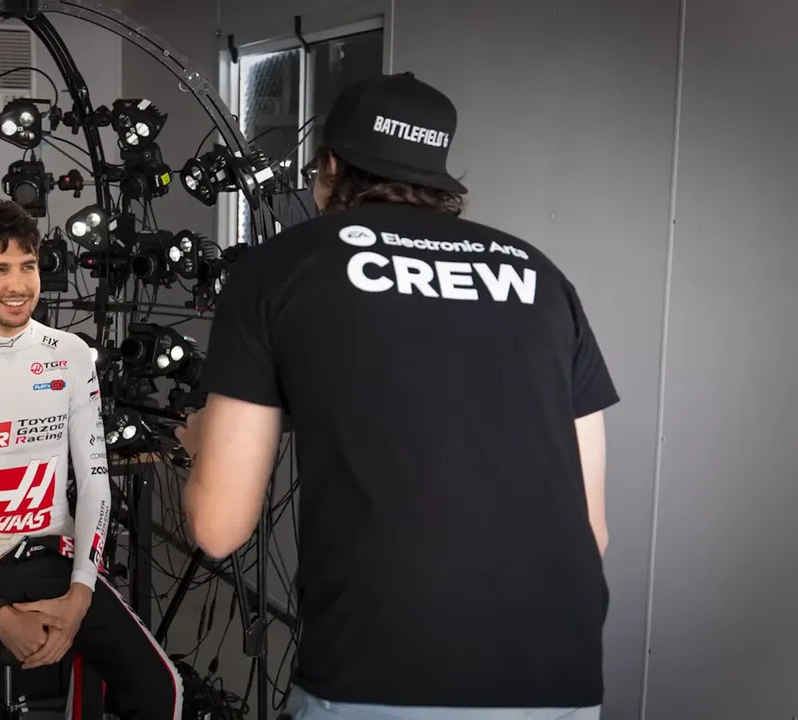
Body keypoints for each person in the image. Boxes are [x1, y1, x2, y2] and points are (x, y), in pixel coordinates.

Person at [176, 72, 617, 719]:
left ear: (328, 167)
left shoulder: (280, 270)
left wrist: (198, 448)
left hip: (381, 672)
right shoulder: (539, 277)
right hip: (560, 670)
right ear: (440, 176)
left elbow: (218, 530)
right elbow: (592, 531)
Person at [0, 200, 181, 719]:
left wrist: (81, 594)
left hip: (58, 560)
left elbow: (95, 485)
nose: (18, 284)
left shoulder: (71, 354)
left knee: (163, 690)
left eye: (27, 266)